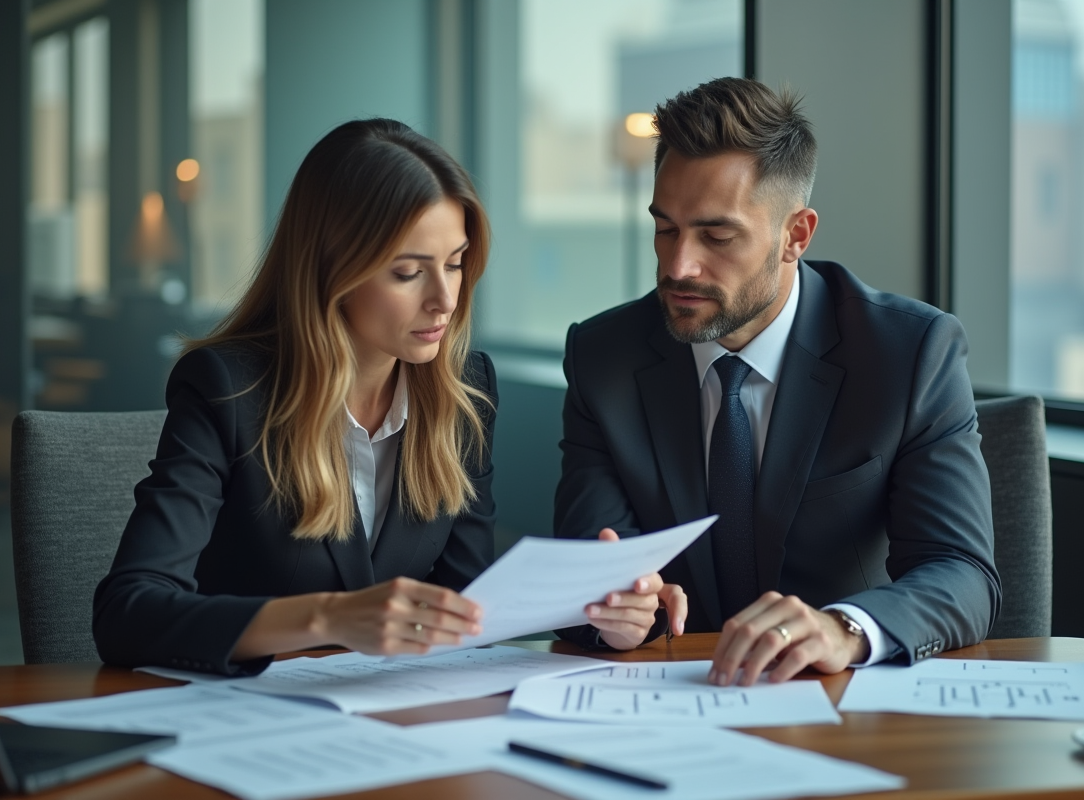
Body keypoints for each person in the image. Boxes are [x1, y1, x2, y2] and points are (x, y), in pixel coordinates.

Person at [94, 120, 669, 675]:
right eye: (407, 272)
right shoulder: (228, 388)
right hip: (250, 726)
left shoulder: (464, 391)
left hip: (400, 723)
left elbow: (468, 606)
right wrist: (329, 618)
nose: (445, 299)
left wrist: (599, 617)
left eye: (455, 263)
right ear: (330, 271)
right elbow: (128, 613)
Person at [554, 78, 1001, 684]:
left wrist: (843, 629)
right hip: (666, 698)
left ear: (796, 236)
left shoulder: (909, 352)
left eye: (717, 236)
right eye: (665, 228)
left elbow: (961, 572)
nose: (678, 265)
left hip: (837, 702)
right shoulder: (603, 355)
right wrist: (613, 612)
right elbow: (590, 562)